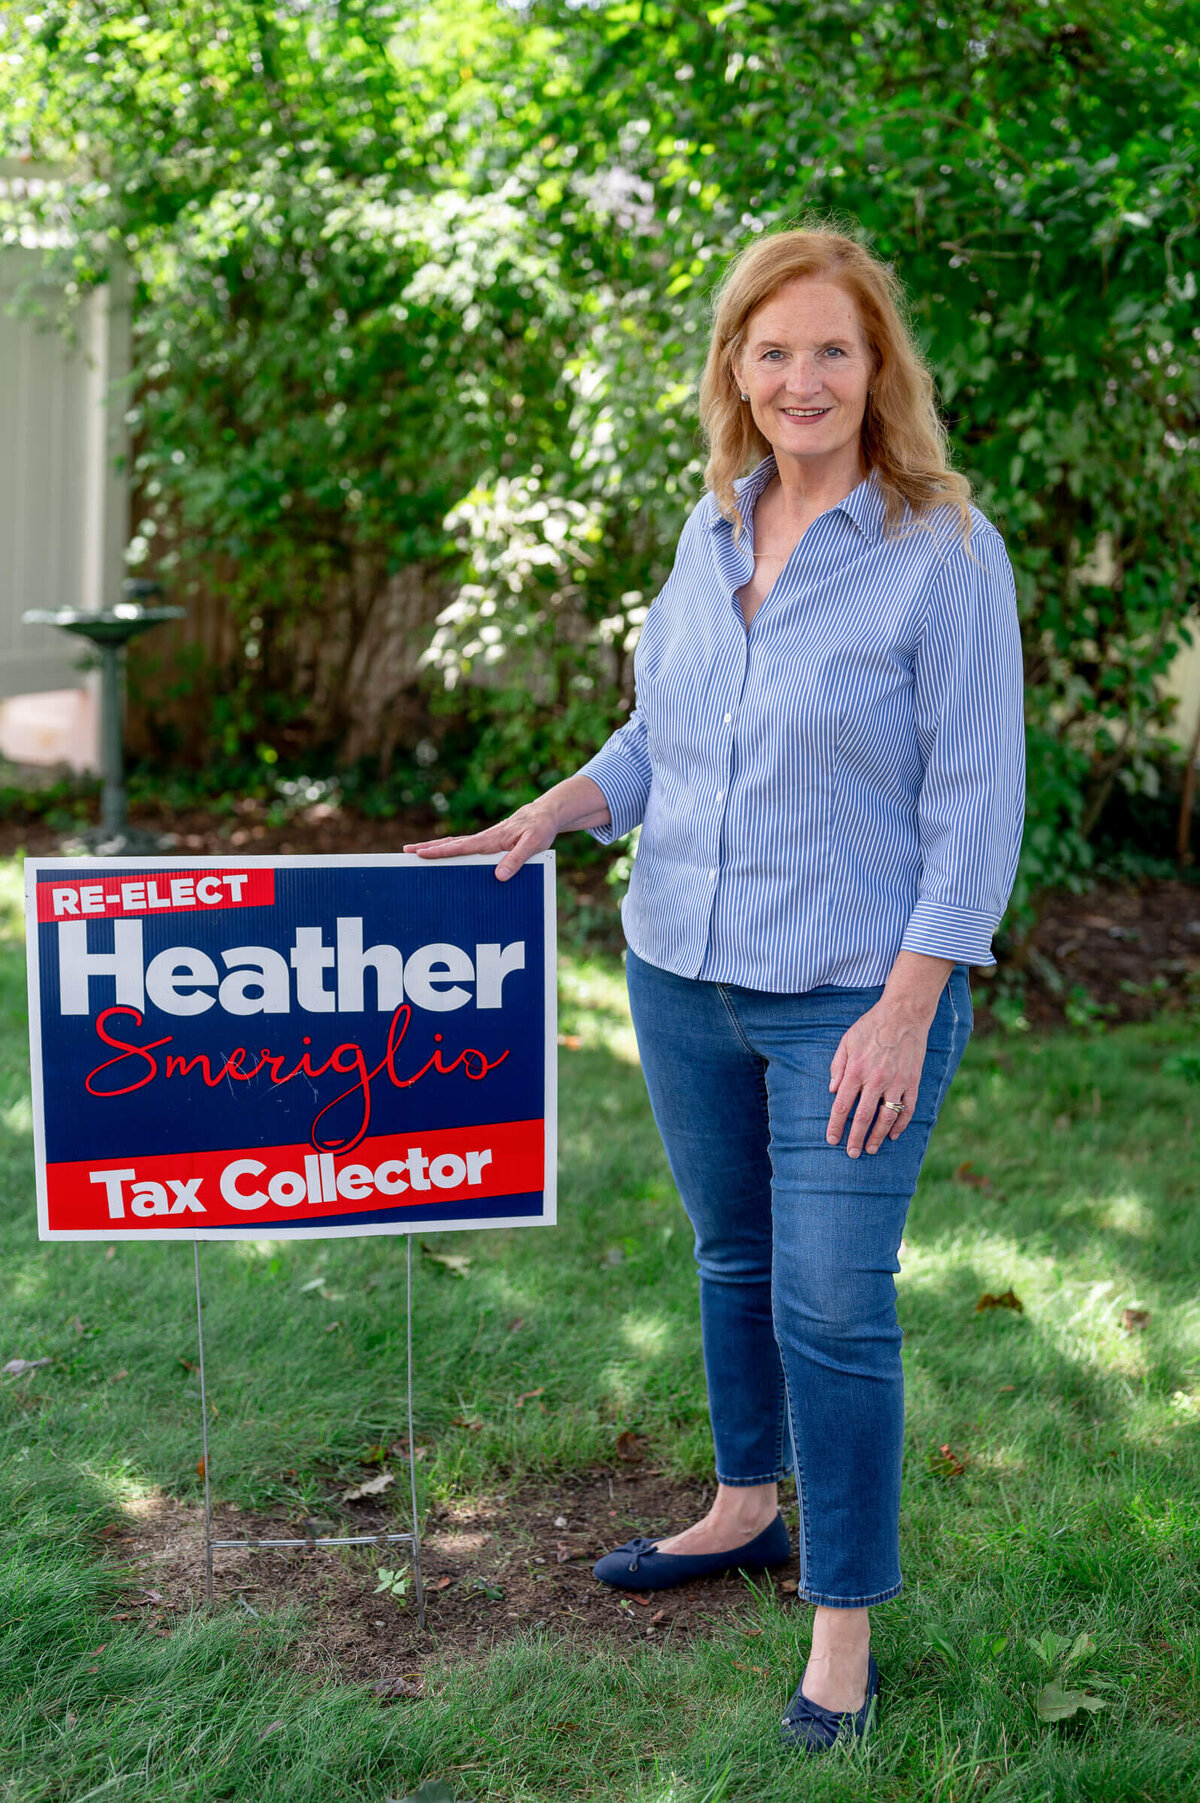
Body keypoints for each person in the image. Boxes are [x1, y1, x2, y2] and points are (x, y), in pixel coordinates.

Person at [406, 224, 1026, 1753]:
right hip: (681, 972)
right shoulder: (707, 531)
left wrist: (908, 1001)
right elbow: (664, 739)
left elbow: (978, 804)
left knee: (834, 1302)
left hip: (850, 996)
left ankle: (842, 1624)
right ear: (734, 373)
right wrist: (558, 810)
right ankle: (746, 1503)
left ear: (877, 369)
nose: (801, 378)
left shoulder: (941, 549)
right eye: (773, 350)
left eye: (833, 349)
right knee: (734, 1261)